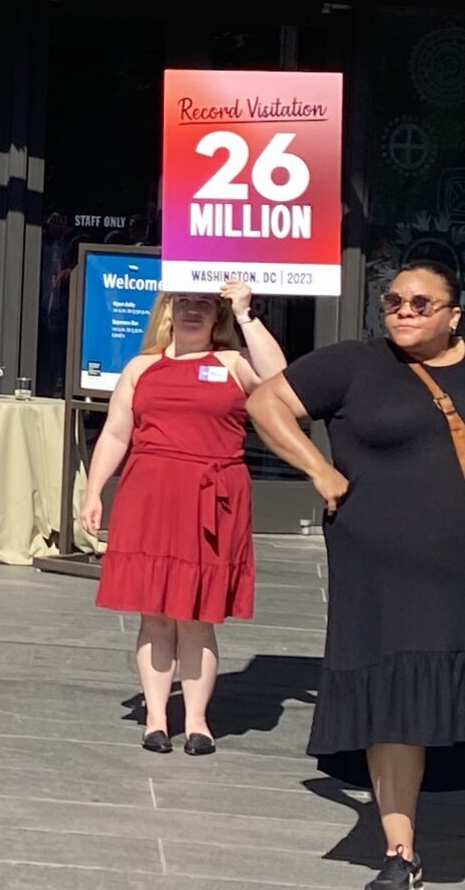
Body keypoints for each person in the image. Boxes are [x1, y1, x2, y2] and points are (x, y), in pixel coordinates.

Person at [248, 262, 465, 890]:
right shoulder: (352, 362)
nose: (403, 311)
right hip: (380, 573)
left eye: (422, 303)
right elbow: (266, 403)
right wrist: (318, 470)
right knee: (395, 702)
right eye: (393, 300)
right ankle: (401, 853)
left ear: (455, 313)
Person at [79, 282, 286, 756]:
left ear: (218, 315)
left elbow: (281, 381)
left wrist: (247, 314)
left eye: (205, 304)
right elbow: (114, 433)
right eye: (184, 301)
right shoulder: (141, 367)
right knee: (154, 614)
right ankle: (155, 718)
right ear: (168, 310)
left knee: (197, 616)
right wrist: (93, 492)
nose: (194, 310)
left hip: (213, 500)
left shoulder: (234, 363)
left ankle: (196, 720)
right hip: (149, 496)